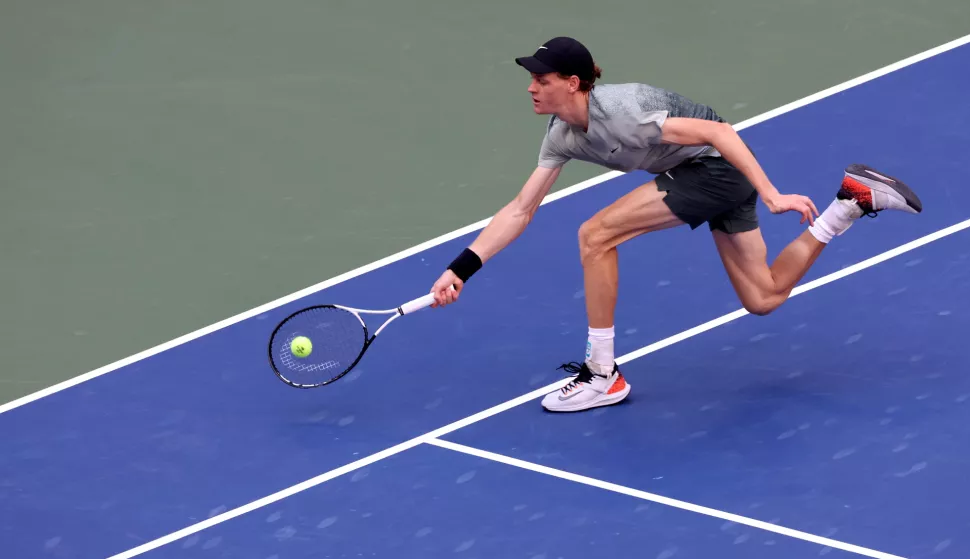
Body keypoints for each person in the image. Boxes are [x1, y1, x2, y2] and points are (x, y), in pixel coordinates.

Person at [428, 37, 923, 412]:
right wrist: (461, 268)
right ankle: (851, 202)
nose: (532, 87)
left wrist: (771, 194)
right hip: (700, 172)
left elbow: (720, 132)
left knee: (595, 235)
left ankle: (603, 373)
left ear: (572, 83)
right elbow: (521, 209)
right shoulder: (562, 135)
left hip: (715, 166)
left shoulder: (623, 114)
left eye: (543, 79)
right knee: (764, 297)